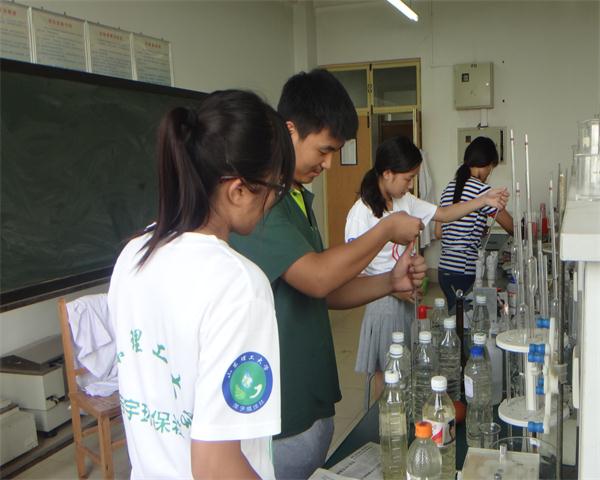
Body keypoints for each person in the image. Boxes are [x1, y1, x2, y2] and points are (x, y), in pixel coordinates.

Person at [230, 69, 427, 479]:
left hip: (311, 402)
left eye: (336, 151)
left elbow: (323, 290)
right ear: (289, 130)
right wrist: (386, 229)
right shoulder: (259, 204)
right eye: (324, 149)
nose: (329, 163)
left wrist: (389, 282)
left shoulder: (296, 197)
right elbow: (318, 277)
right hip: (281, 411)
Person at [108, 90, 295, 479]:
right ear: (238, 190)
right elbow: (215, 466)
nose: (273, 203)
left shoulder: (133, 254)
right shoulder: (238, 285)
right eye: (276, 189)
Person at [345, 135, 508, 395]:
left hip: (407, 298)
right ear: (387, 173)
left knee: (407, 368)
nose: (411, 185)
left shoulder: (404, 201)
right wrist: (393, 288)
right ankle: (384, 414)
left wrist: (484, 200)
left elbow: (443, 214)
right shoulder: (361, 213)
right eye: (408, 178)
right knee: (387, 372)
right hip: (382, 302)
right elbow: (354, 273)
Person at [435, 136, 514, 313]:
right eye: (491, 169)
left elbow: (438, 232)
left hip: (443, 270)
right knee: (465, 319)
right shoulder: (481, 190)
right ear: (487, 165)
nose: (489, 174)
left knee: (455, 316)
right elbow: (511, 227)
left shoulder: (448, 188)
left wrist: (474, 228)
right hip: (463, 270)